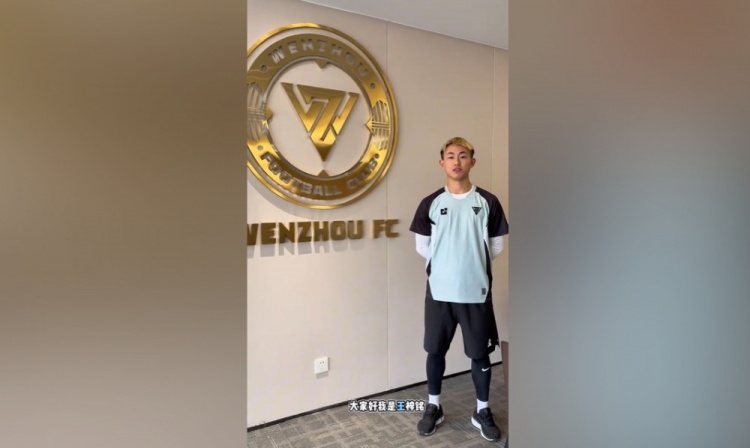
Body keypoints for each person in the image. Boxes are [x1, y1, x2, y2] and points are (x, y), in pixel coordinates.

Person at [409, 136, 509, 442]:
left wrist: (470, 266)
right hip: (439, 293)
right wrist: (448, 266)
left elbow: (496, 245)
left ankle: (482, 410)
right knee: (435, 350)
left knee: (480, 354)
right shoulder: (430, 203)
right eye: (450, 156)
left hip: (475, 293)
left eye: (463, 155)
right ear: (442, 164)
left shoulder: (488, 201)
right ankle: (434, 406)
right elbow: (422, 246)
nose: (456, 161)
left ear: (472, 162)